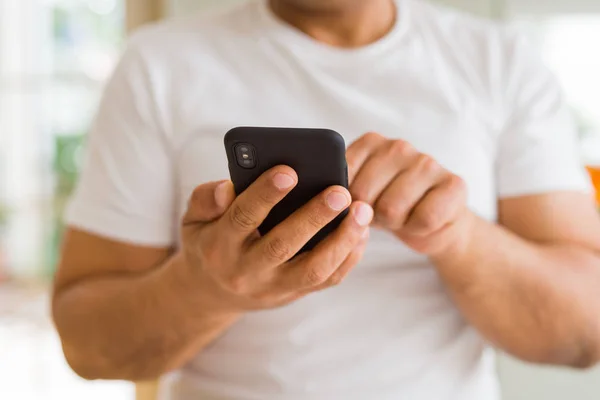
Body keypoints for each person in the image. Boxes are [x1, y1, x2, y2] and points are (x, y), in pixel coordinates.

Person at [52, 0, 600, 399]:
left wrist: (457, 235)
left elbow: (585, 332)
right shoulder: (158, 64)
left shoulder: (501, 62)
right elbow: (88, 346)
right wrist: (207, 289)